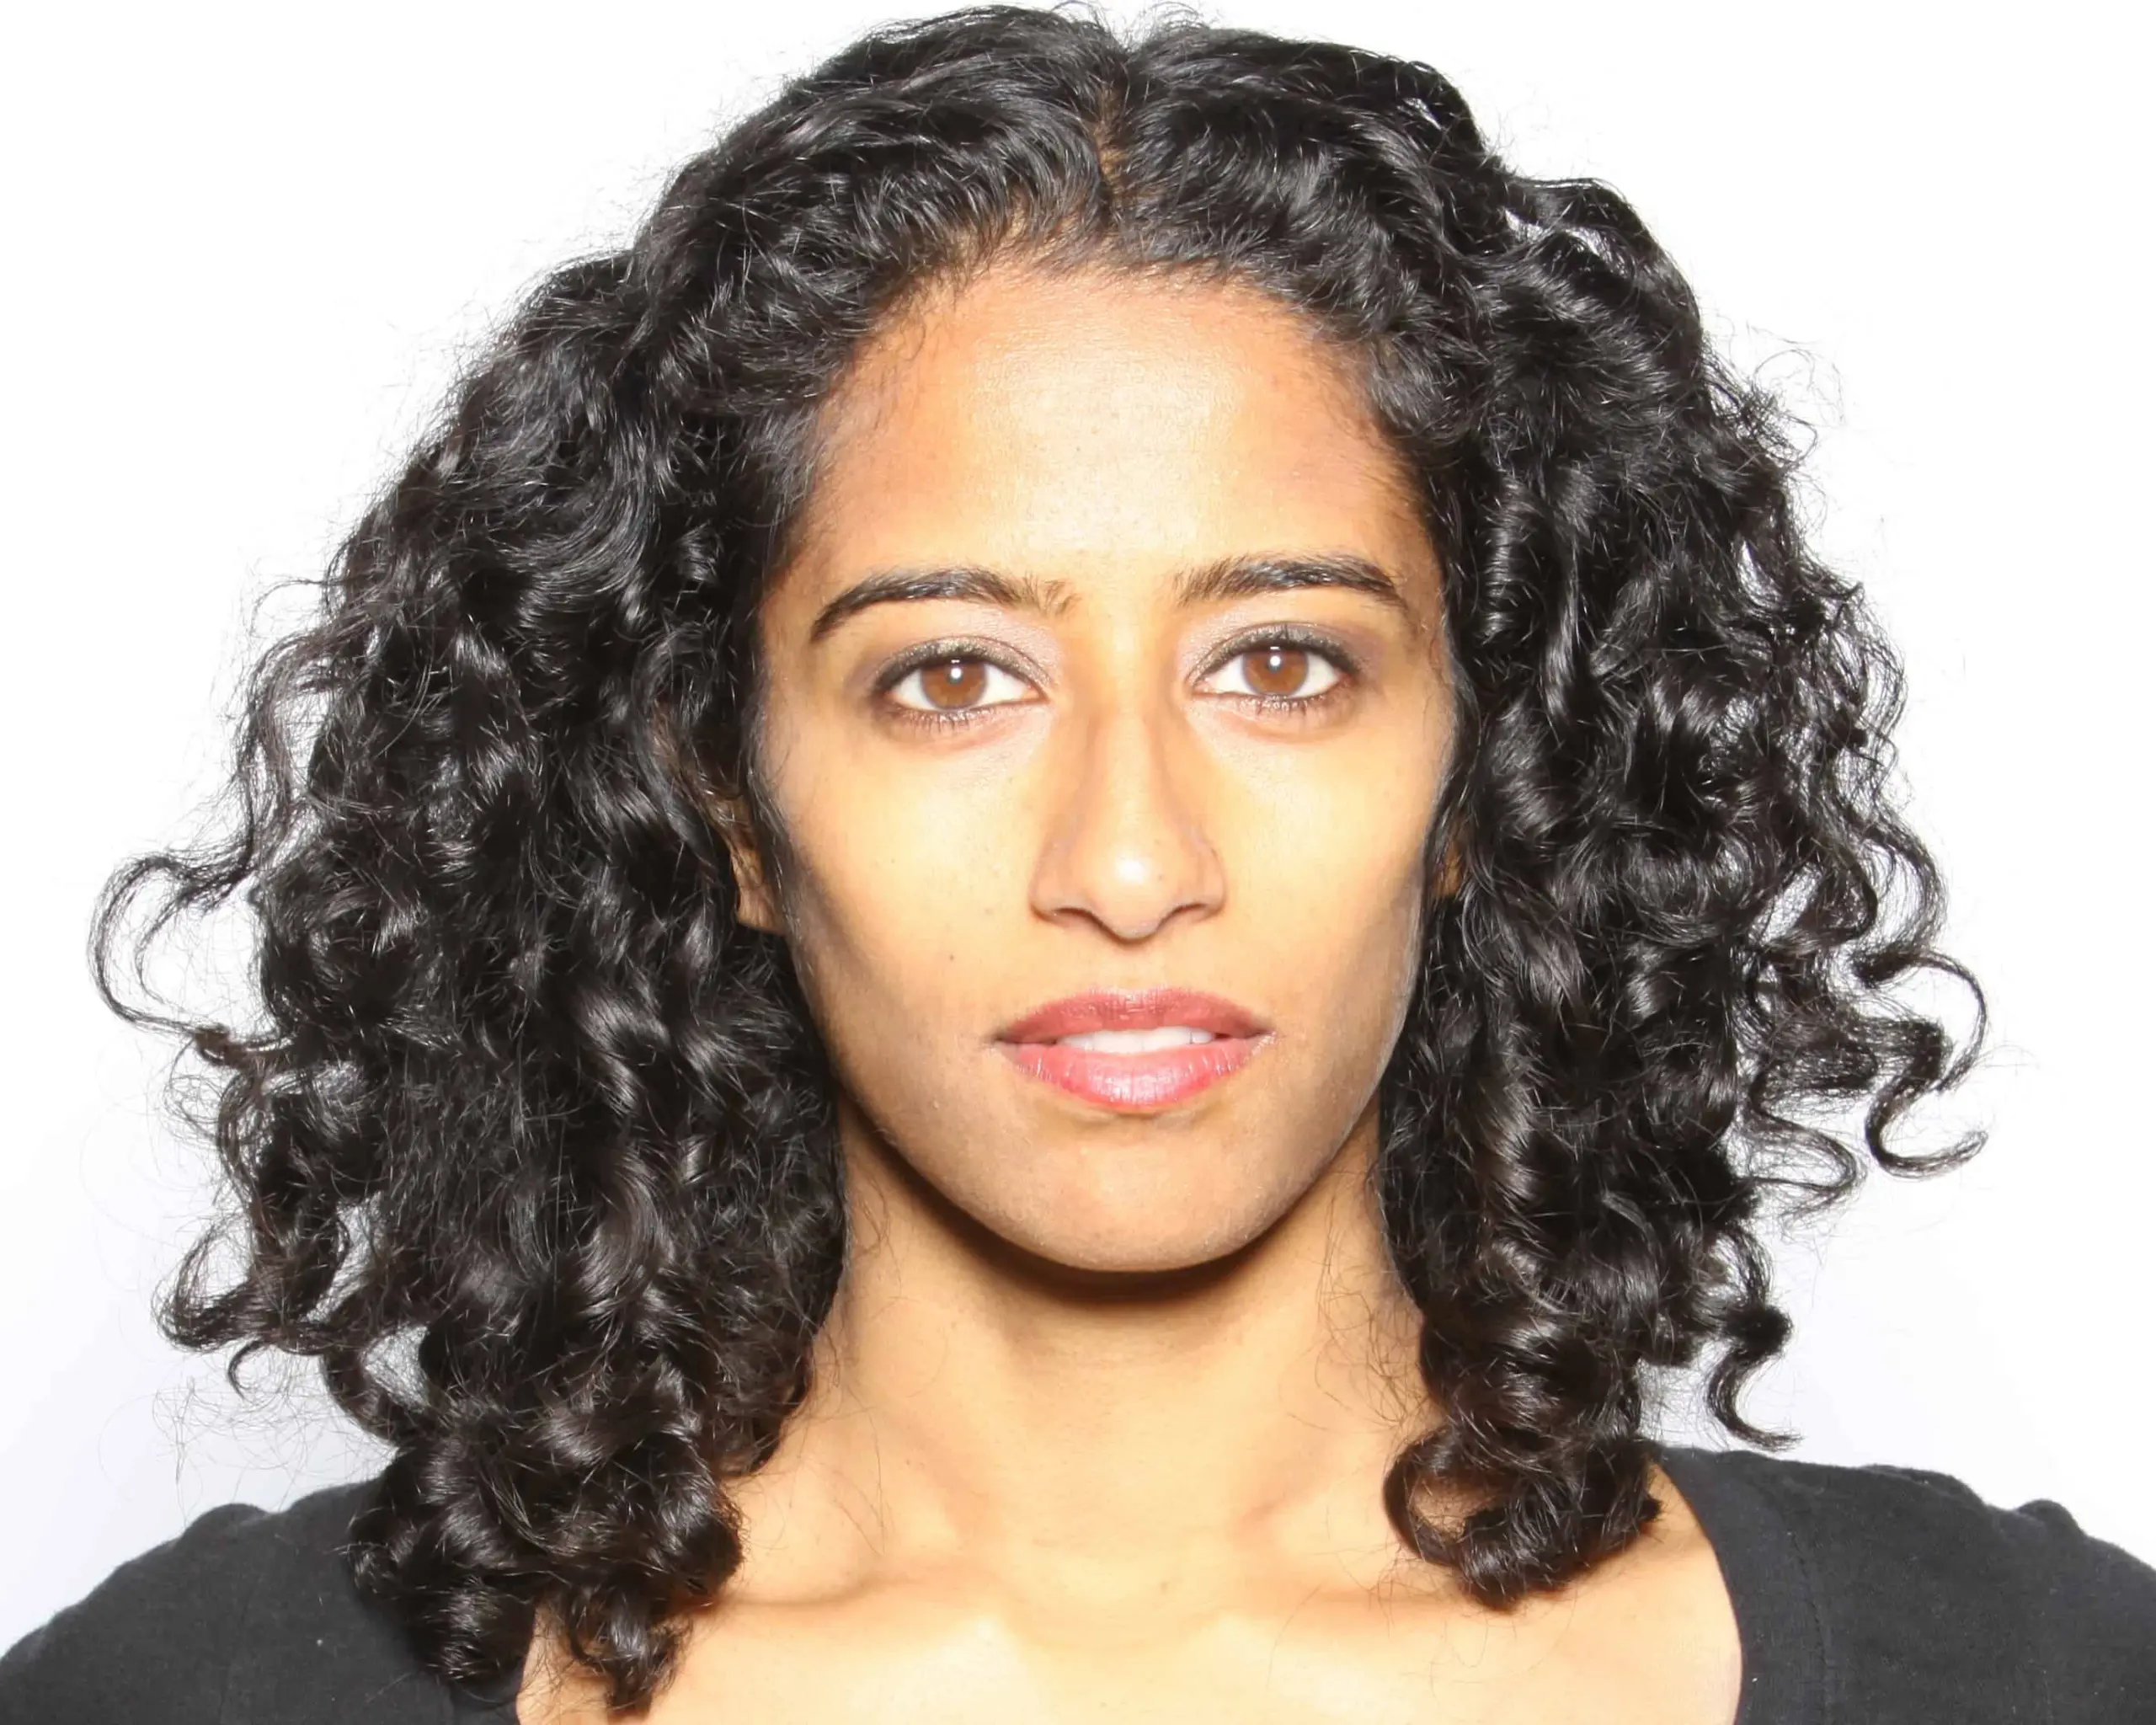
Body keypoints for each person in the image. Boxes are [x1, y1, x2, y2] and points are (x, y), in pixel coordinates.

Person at [3, 6, 2149, 1721]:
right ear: (723, 801)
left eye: (1283, 663)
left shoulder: (2042, 1679)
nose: (1127, 859)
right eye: (949, 677)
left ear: (1486, 769)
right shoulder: (188, 1697)